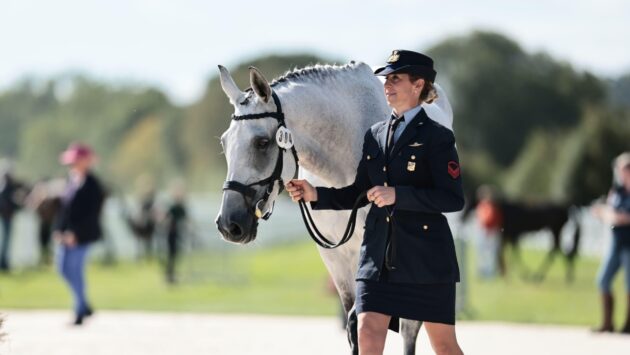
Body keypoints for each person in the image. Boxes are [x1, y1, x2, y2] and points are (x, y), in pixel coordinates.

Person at [287, 50, 465, 355]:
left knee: (444, 346)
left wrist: (399, 195)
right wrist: (315, 194)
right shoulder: (374, 136)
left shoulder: (438, 138)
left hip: (425, 257)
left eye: (396, 78)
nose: (387, 85)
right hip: (378, 256)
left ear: (418, 84)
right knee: (366, 331)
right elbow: (356, 192)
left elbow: (452, 198)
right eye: (386, 79)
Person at [53, 143, 105, 325]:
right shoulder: (71, 181)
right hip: (66, 234)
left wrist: (76, 234)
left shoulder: (94, 186)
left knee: (75, 270)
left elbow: (92, 214)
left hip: (82, 235)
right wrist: (58, 230)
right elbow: (64, 210)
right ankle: (84, 304)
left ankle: (79, 310)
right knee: (62, 268)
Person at [592, 152, 630, 333]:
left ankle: (628, 324)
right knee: (603, 280)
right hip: (617, 242)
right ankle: (608, 322)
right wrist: (604, 213)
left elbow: (619, 216)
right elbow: (610, 212)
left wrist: (619, 217)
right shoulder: (617, 191)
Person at [0, 161, 27, 272]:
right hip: (7, 216)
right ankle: (3, 263)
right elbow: (8, 202)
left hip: (7, 215)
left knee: (6, 240)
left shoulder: (6, 185)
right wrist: (17, 207)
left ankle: (4, 262)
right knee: (6, 240)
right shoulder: (6, 186)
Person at [163, 182, 187, 284]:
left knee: (175, 255)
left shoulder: (181, 207)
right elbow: (166, 219)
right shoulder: (172, 206)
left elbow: (186, 219)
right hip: (171, 234)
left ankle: (171, 275)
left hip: (178, 234)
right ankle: (169, 276)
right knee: (171, 255)